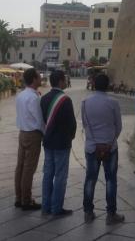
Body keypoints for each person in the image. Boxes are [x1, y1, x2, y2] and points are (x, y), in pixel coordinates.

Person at [82, 74, 124, 225]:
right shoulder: (113, 103)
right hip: (110, 147)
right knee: (111, 180)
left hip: (92, 147)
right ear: (107, 85)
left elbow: (85, 125)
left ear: (93, 84)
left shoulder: (85, 103)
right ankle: (111, 214)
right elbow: (118, 126)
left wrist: (95, 141)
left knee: (90, 179)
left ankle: (88, 212)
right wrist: (109, 143)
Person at [40, 70, 77, 216]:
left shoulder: (43, 98)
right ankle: (56, 208)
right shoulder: (65, 100)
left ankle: (45, 206)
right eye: (65, 80)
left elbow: (43, 120)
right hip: (62, 143)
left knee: (47, 174)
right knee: (60, 176)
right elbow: (72, 123)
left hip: (48, 141)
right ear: (61, 81)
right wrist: (71, 136)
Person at [15, 68, 45, 210]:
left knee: (20, 167)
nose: (41, 79)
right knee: (29, 169)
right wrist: (45, 134)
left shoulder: (21, 95)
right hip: (33, 134)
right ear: (33, 79)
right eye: (39, 77)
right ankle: (26, 200)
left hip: (22, 133)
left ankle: (19, 197)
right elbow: (39, 120)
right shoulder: (33, 98)